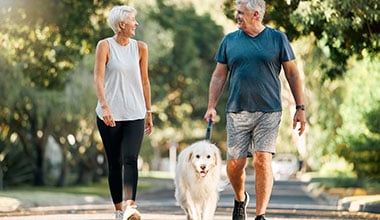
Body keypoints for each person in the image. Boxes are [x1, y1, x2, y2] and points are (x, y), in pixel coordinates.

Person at [203, 0, 306, 219]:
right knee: (235, 164)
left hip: (269, 110)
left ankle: (260, 214)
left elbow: (292, 74)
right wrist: (211, 106)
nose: (236, 16)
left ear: (256, 14)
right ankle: (240, 199)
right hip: (237, 110)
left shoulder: (278, 39)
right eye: (236, 12)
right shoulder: (229, 41)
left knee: (262, 159)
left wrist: (300, 107)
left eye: (241, 12)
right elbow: (219, 75)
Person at [94, 5, 153, 220]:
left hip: (135, 113)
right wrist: (105, 106)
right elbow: (98, 78)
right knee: (114, 162)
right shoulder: (105, 46)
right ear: (122, 24)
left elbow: (145, 81)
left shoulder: (140, 48)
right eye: (132, 20)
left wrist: (148, 111)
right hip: (109, 115)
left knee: (130, 159)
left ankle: (131, 207)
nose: (136, 23)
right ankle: (119, 211)